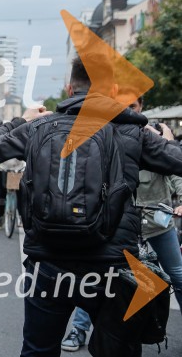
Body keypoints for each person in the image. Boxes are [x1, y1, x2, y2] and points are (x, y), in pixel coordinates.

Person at [0, 54, 182, 357]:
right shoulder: (131, 132)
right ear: (112, 90)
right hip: (111, 263)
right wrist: (161, 138)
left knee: (38, 350)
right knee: (117, 350)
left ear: (70, 89)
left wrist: (23, 119)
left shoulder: (40, 127)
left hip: (48, 259)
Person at [61, 95, 182, 352]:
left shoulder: (152, 134)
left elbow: (175, 169)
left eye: (133, 107)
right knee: (100, 279)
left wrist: (164, 141)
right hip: (120, 225)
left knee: (177, 275)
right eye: (122, 106)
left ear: (141, 108)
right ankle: (79, 329)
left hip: (156, 221)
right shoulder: (109, 134)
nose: (127, 111)